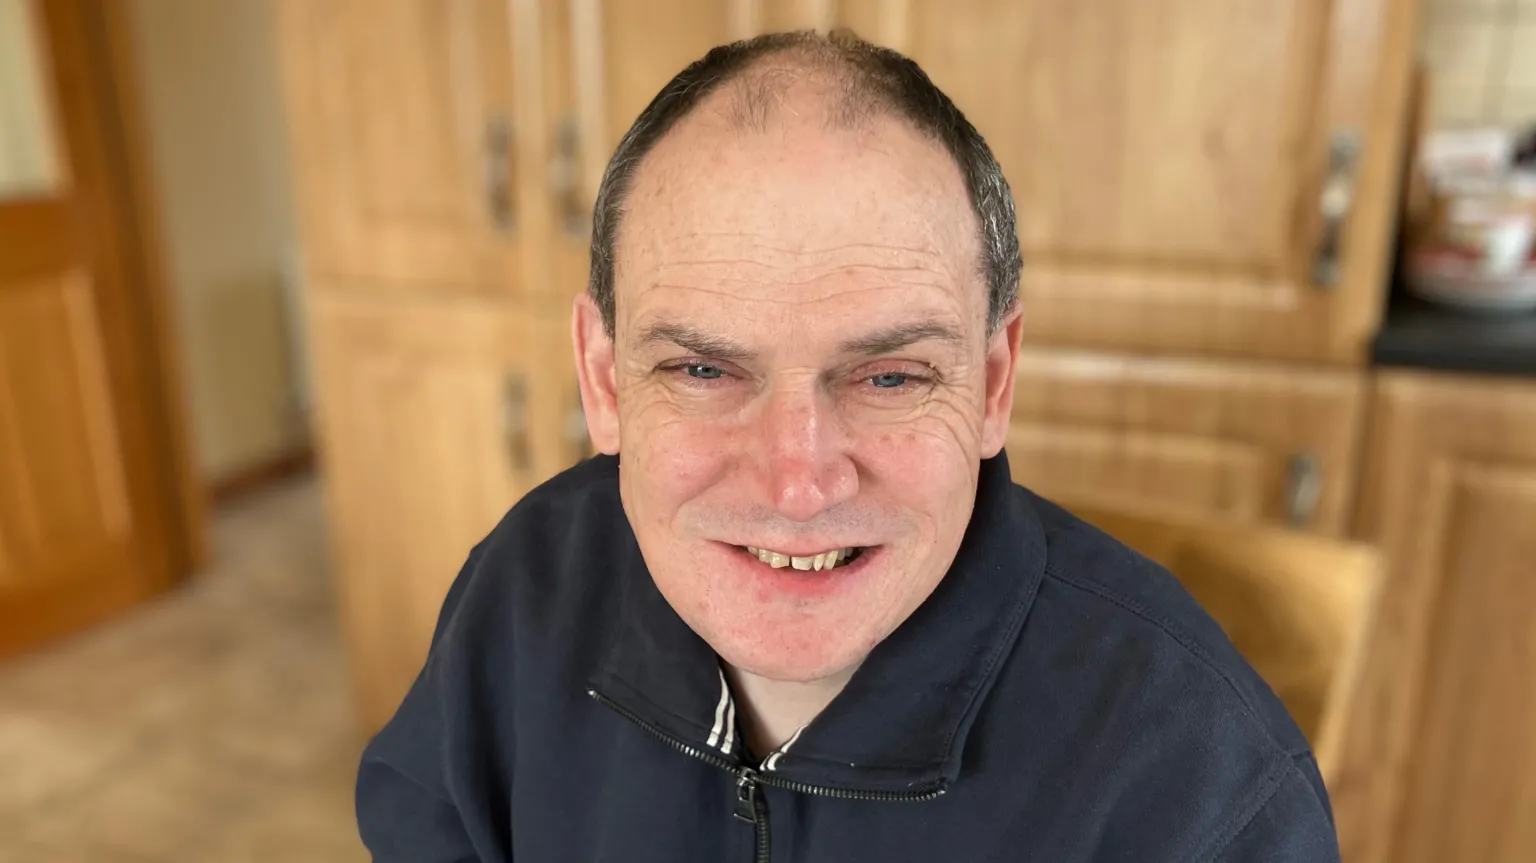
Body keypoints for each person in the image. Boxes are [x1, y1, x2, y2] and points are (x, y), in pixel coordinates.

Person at [356, 30, 1341, 862]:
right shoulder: (526, 587)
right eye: (703, 370)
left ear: (994, 382)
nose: (799, 484)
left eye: (889, 377)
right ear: (604, 380)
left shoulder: (1205, 795)